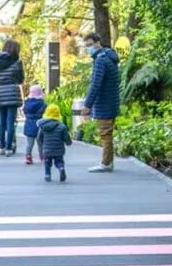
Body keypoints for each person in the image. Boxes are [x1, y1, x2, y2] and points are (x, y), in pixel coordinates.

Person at [80, 32, 121, 173]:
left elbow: (95, 84)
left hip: (104, 102)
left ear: (98, 43)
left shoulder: (100, 60)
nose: (88, 48)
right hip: (112, 100)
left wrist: (87, 104)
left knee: (105, 134)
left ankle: (106, 163)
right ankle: (109, 162)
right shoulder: (110, 56)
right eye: (86, 46)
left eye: (90, 45)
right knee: (107, 133)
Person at [0, 39, 24, 154]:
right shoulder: (17, 62)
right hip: (12, 93)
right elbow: (20, 79)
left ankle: (2, 146)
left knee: (1, 121)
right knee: (10, 122)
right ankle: (9, 147)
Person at [37, 104, 71, 182]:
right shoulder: (62, 126)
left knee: (47, 163)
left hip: (47, 150)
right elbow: (66, 137)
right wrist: (68, 143)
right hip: (59, 150)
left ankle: (47, 175)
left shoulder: (43, 126)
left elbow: (39, 138)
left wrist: (41, 145)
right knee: (59, 161)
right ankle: (61, 168)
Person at [22, 84, 47, 165]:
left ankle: (28, 157)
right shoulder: (42, 103)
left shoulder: (26, 102)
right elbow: (44, 112)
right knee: (40, 143)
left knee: (30, 143)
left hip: (29, 124)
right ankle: (42, 157)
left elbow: (24, 111)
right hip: (39, 124)